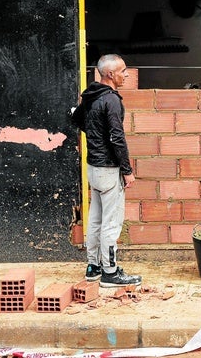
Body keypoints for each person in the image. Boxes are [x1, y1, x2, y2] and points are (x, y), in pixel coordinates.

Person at [71, 54, 141, 287]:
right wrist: (127, 170)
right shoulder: (111, 100)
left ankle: (94, 267)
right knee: (111, 223)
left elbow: (76, 119)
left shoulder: (90, 96)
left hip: (93, 168)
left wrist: (94, 135)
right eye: (123, 70)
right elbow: (116, 137)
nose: (127, 74)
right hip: (109, 170)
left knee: (96, 220)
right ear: (110, 74)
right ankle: (110, 274)